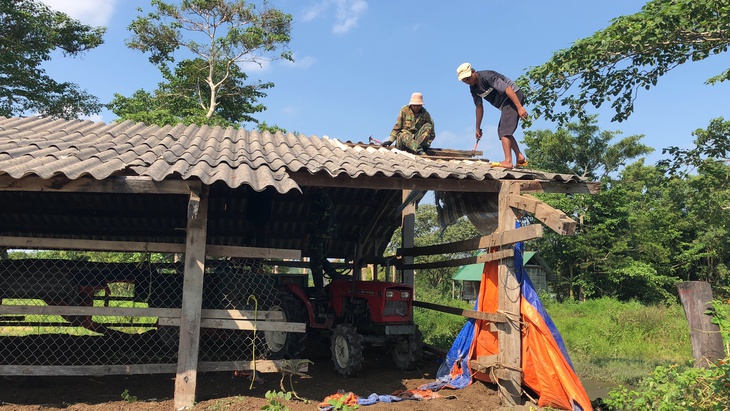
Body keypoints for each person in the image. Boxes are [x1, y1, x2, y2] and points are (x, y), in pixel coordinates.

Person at [456, 62, 529, 168]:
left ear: (473, 72)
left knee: (504, 130)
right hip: (505, 103)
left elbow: (507, 88)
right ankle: (520, 157)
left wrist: (519, 107)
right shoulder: (473, 89)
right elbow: (479, 107)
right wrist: (477, 128)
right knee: (503, 130)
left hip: (513, 96)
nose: (467, 81)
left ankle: (508, 161)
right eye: (464, 80)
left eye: (467, 78)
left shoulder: (486, 76)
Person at [306, 187, 337, 299]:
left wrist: (308, 232)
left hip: (318, 234)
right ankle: (337, 278)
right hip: (326, 234)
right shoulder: (327, 197)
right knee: (322, 260)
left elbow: (314, 217)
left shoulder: (318, 197)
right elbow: (333, 219)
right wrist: (332, 236)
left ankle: (319, 289)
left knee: (315, 262)